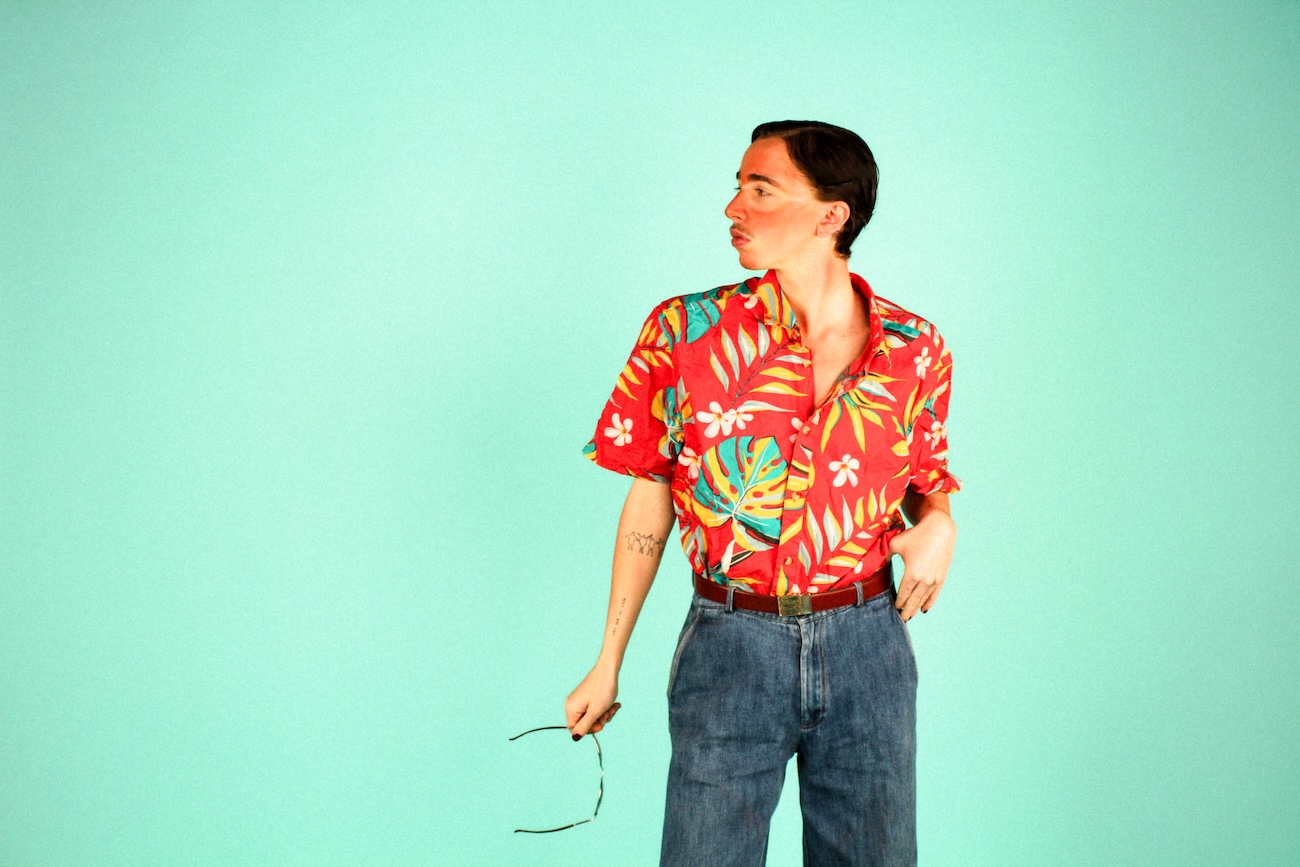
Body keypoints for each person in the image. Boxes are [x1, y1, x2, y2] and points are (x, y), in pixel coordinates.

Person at [566, 120, 962, 866]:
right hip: (730, 645)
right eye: (738, 186)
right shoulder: (685, 331)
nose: (733, 207)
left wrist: (941, 523)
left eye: (761, 189)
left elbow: (925, 478)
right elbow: (651, 494)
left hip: (869, 646)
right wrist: (608, 657)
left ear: (831, 214)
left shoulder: (916, 349)